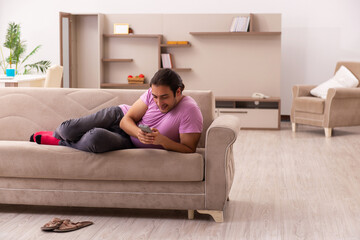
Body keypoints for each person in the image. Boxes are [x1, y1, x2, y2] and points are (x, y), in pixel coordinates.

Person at [30, 69, 203, 153]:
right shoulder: (152, 93)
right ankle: (56, 135)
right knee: (68, 130)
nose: (158, 102)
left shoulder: (190, 111)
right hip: (119, 117)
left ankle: (59, 142)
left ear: (178, 92)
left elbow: (189, 149)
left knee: (94, 139)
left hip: (126, 141)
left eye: (164, 97)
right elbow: (126, 119)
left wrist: (162, 140)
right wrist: (138, 132)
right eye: (155, 96)